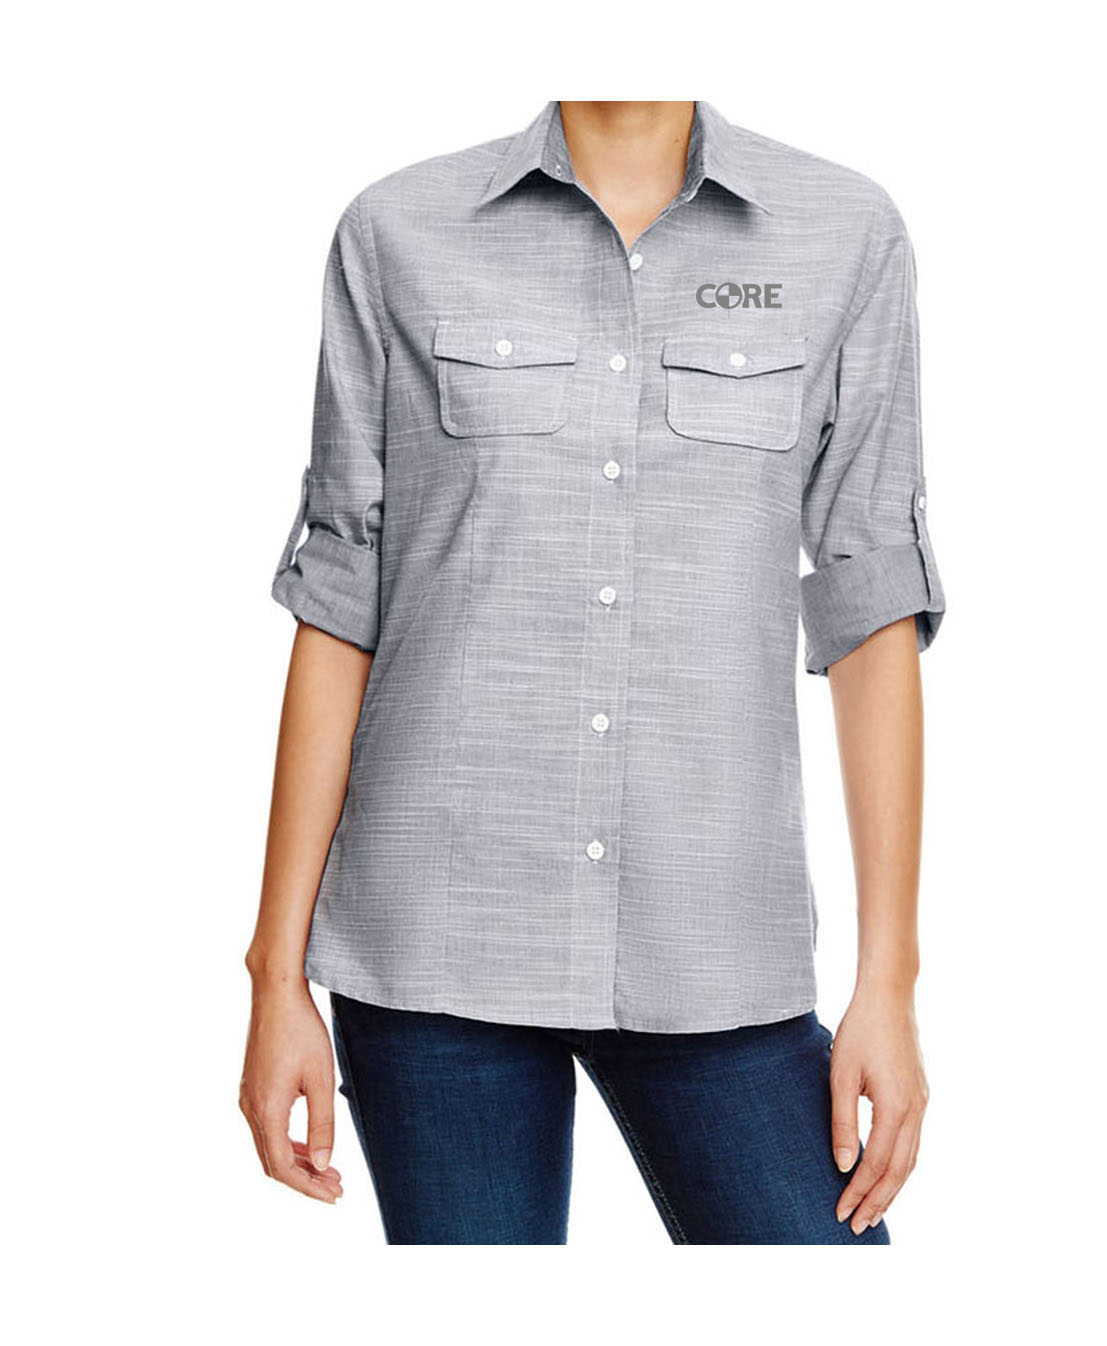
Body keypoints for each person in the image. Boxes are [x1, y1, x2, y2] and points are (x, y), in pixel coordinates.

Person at [239, 100, 945, 1245]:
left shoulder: (844, 235)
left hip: (714, 947)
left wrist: (889, 983)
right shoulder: (397, 230)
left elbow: (874, 613)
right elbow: (339, 607)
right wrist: (276, 977)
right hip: (435, 944)